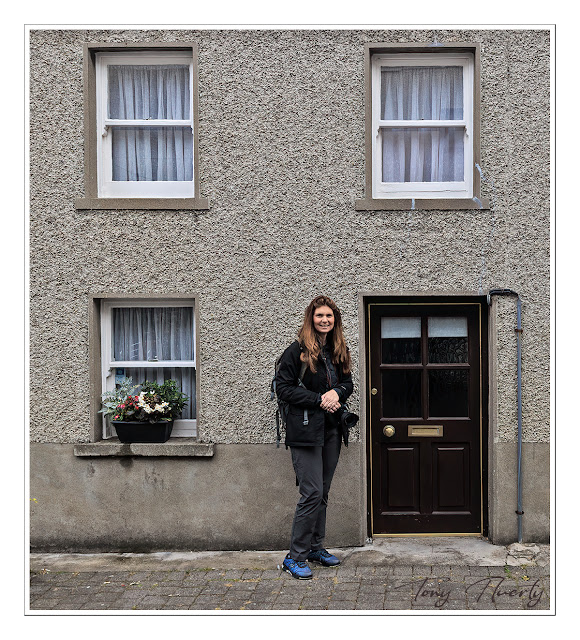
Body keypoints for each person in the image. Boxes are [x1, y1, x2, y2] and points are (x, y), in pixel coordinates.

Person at [275, 295, 354, 580]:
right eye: (320, 316)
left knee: (323, 493)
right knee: (312, 493)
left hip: (332, 430)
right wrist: (320, 399)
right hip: (305, 432)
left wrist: (338, 394)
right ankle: (294, 557)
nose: (325, 320)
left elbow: (348, 383)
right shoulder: (295, 352)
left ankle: (315, 548)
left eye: (329, 316)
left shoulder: (337, 349)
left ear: (335, 321)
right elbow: (282, 389)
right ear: (311, 318)